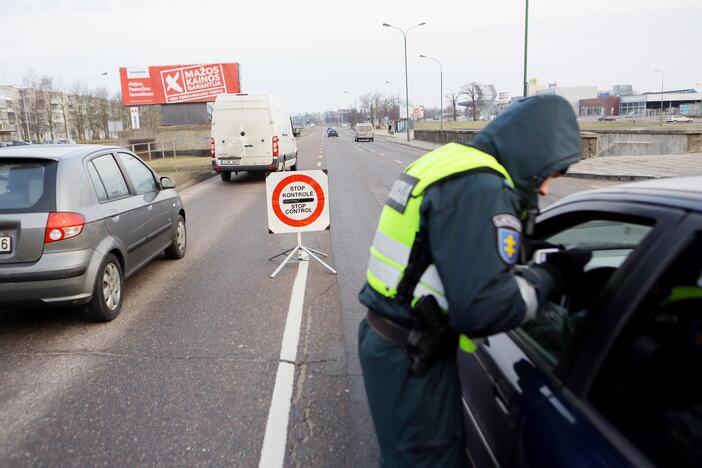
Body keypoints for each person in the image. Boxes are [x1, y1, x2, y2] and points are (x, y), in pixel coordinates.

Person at [357, 95, 591, 467]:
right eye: (552, 172)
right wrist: (550, 276)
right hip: (413, 356)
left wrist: (526, 249)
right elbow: (483, 309)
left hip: (395, 342)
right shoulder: (482, 186)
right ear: (535, 151)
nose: (546, 188)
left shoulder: (451, 163)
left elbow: (445, 244)